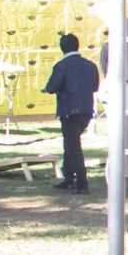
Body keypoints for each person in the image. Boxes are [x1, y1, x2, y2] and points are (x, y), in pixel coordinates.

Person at [42, 32, 99, 191]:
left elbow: (52, 87)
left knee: (73, 147)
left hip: (69, 110)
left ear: (62, 48)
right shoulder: (90, 65)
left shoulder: (61, 66)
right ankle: (68, 178)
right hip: (86, 109)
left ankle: (81, 182)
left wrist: (46, 89)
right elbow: (95, 87)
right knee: (71, 144)